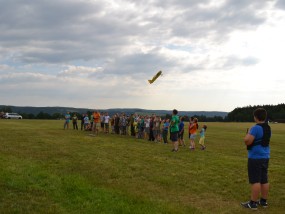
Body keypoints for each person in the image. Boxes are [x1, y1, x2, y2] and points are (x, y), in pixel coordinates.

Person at [241, 108, 271, 210]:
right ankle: (263, 201)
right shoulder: (268, 127)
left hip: (255, 157)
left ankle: (252, 203)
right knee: (264, 179)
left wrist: (248, 132)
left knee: (255, 180)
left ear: (255, 117)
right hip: (265, 156)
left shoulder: (255, 128)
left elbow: (247, 141)